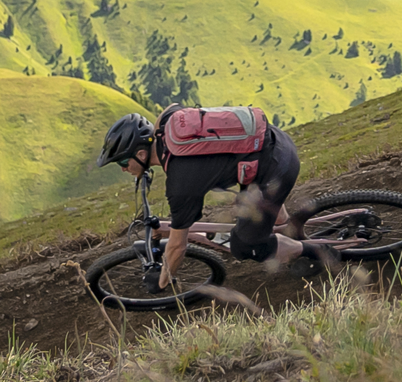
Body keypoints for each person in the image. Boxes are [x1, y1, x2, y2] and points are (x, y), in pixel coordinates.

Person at [97, 110, 336, 290]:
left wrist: (161, 283)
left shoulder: (181, 185)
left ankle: (314, 250)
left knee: (246, 246)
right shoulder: (167, 120)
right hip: (273, 142)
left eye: (122, 163)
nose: (123, 169)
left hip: (276, 170)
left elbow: (178, 247)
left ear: (141, 154)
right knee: (247, 206)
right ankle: (282, 227)